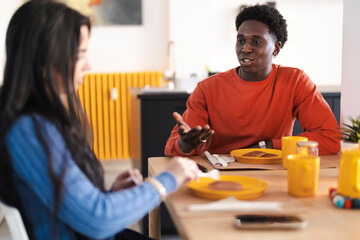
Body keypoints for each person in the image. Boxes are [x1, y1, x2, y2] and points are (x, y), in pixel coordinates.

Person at [0, 1, 199, 239]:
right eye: (80, 54)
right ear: (44, 60)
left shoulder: (34, 121)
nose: (89, 65)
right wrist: (168, 179)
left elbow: (69, 206)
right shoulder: (29, 130)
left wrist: (111, 194)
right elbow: (97, 221)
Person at [165, 4, 340, 157]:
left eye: (256, 42)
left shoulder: (295, 81)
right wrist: (185, 145)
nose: (245, 49)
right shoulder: (207, 88)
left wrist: (268, 146)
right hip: (220, 173)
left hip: (273, 171)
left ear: (276, 48)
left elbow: (330, 138)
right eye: (241, 41)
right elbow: (173, 147)